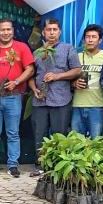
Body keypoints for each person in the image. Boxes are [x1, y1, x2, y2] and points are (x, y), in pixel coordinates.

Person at [28, 19, 81, 176]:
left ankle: (58, 166)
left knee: (59, 134)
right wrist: (34, 89)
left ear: (60, 32)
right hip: (40, 100)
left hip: (60, 99)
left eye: (55, 29)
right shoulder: (37, 52)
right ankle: (40, 165)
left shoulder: (67, 49)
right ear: (43, 32)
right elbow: (30, 74)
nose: (51, 32)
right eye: (49, 29)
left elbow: (77, 70)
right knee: (40, 134)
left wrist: (58, 76)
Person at [0, 19, 34, 177]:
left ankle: (13, 165)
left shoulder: (21, 47)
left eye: (8, 29)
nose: (5, 32)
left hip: (14, 97)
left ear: (13, 31)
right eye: (2, 30)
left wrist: (17, 81)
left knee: (13, 132)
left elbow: (30, 69)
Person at [71, 24, 103, 139]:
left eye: (94, 37)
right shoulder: (76, 56)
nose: (90, 40)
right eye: (87, 37)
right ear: (84, 39)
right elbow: (67, 79)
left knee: (96, 144)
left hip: (98, 106)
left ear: (100, 40)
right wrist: (74, 83)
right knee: (76, 144)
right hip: (77, 105)